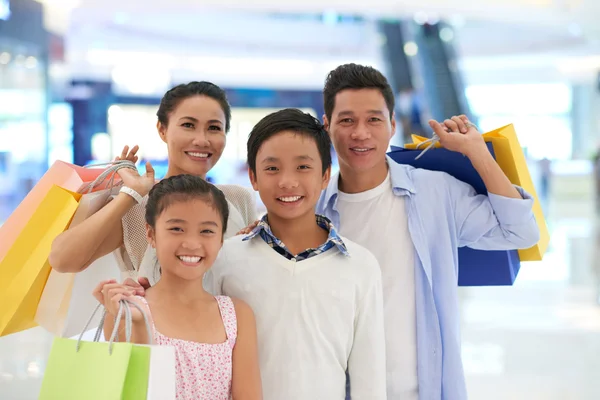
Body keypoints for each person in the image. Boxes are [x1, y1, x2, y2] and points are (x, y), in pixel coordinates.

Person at [315, 64, 540, 399]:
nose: (360, 133)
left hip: (426, 389)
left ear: (392, 125)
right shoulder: (314, 209)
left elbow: (520, 232)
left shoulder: (435, 193)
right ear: (327, 126)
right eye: (346, 120)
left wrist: (477, 152)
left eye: (374, 119)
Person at [205, 109, 387, 399]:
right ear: (252, 176)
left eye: (303, 167)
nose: (287, 182)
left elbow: (370, 379)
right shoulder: (225, 258)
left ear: (326, 175)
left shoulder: (361, 265)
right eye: (272, 168)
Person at [49, 81, 257, 285]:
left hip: (228, 319)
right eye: (188, 125)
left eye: (214, 128)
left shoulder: (238, 198)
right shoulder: (137, 203)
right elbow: (62, 260)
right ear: (162, 130)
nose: (201, 140)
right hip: (148, 319)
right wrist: (129, 195)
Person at [93, 174, 262, 400]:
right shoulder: (127, 312)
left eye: (207, 231)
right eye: (176, 229)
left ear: (221, 239)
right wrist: (139, 324)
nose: (192, 243)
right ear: (151, 234)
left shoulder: (237, 315)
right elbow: (134, 394)